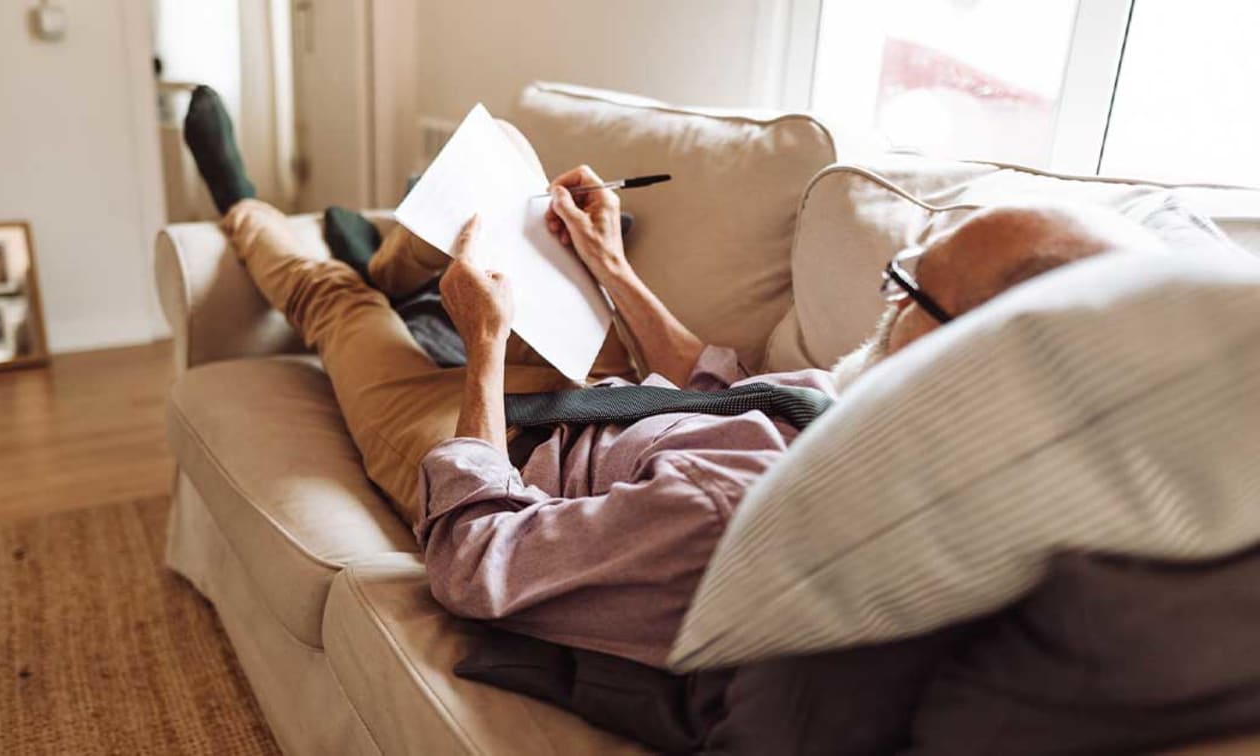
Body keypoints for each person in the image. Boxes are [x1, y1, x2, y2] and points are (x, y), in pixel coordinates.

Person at [182, 85, 1157, 669]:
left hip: (491, 446)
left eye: (908, 285)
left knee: (336, 305)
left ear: (971, 357)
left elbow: (480, 560)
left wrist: (486, 350)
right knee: (482, 253)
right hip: (596, 385)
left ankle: (244, 207)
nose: (886, 296)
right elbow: (723, 381)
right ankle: (406, 262)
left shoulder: (742, 516)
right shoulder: (877, 408)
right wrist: (610, 264)